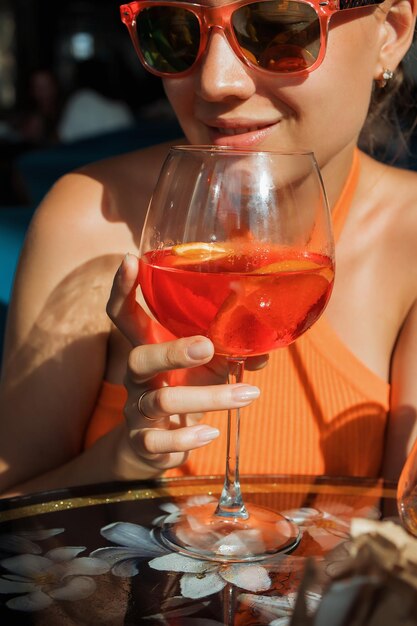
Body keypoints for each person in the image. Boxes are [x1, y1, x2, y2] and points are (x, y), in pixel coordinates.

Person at [1, 0, 417, 498]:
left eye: (277, 31)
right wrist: (124, 458)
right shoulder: (91, 218)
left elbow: (400, 541)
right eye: (174, 32)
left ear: (390, 31)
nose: (215, 83)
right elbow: (13, 518)